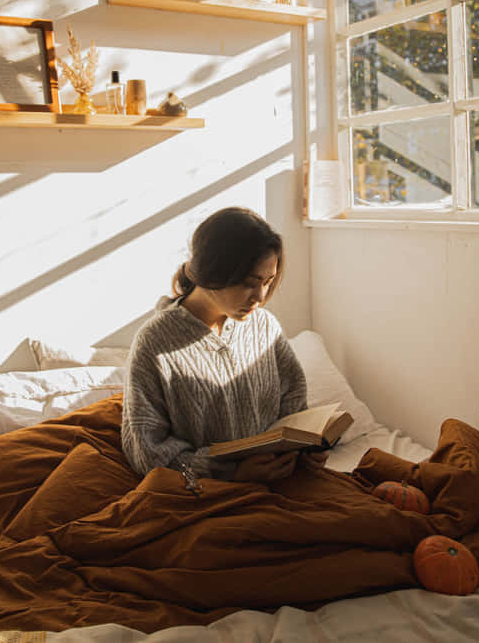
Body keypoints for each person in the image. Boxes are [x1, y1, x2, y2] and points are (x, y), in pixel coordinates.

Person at [121, 207, 328, 486]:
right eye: (248, 283)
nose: (260, 296)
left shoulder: (264, 326)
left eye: (268, 282)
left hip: (283, 481)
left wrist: (306, 451)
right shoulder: (155, 344)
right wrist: (231, 474)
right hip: (211, 495)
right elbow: (147, 449)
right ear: (212, 272)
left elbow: (294, 405)